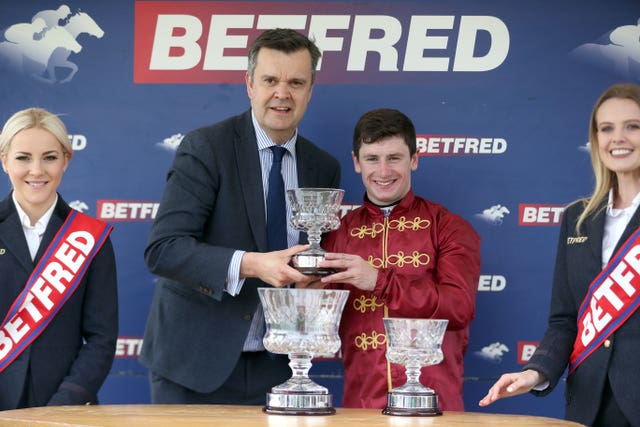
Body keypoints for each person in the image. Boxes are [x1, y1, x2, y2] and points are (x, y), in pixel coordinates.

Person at [139, 28, 341, 405]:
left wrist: (314, 282)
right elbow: (164, 250)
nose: (283, 93)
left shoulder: (322, 167)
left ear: (310, 91)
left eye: (296, 82)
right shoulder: (206, 148)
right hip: (195, 365)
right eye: (270, 80)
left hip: (282, 366)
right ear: (249, 84)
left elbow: (314, 256)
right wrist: (253, 264)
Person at [479, 83, 640, 427]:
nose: (618, 138)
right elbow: (565, 319)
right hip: (589, 406)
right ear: (596, 140)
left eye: (633, 126)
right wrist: (536, 372)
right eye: (606, 128)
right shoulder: (578, 218)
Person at [308, 108, 481, 410]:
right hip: (360, 408)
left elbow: (459, 308)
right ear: (356, 163)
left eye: (395, 158)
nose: (383, 171)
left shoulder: (450, 227)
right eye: (372, 159)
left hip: (434, 408)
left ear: (414, 159)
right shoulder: (337, 232)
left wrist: (378, 279)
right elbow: (316, 320)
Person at [0, 107, 118, 409]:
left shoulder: (91, 237)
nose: (36, 170)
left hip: (65, 408)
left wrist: (65, 404)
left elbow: (101, 340)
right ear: (4, 161)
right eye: (23, 157)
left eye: (50, 157)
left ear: (66, 160)